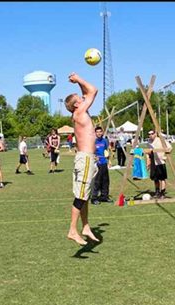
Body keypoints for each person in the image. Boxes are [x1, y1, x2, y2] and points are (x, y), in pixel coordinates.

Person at [64, 72, 100, 246]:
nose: (83, 97)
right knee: (80, 197)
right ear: (77, 103)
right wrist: (78, 79)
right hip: (85, 159)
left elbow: (87, 94)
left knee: (85, 195)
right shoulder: (80, 112)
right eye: (80, 97)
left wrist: (78, 85)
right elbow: (93, 90)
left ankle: (85, 226)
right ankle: (72, 230)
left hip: (88, 158)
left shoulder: (79, 111)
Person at [144, 130, 172, 199]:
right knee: (155, 178)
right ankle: (157, 192)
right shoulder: (149, 142)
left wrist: (164, 155)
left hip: (160, 162)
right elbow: (148, 152)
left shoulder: (161, 140)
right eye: (149, 134)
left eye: (152, 134)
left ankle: (162, 193)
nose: (150, 135)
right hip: (153, 162)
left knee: (162, 178)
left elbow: (169, 148)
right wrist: (148, 161)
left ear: (155, 134)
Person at [91, 126, 112, 205]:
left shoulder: (105, 141)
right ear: (95, 133)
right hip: (97, 164)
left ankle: (104, 197)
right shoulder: (93, 142)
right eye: (97, 132)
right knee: (97, 181)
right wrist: (95, 157)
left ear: (102, 132)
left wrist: (109, 160)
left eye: (100, 132)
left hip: (104, 163)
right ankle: (94, 198)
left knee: (106, 181)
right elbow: (91, 152)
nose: (99, 133)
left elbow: (106, 151)